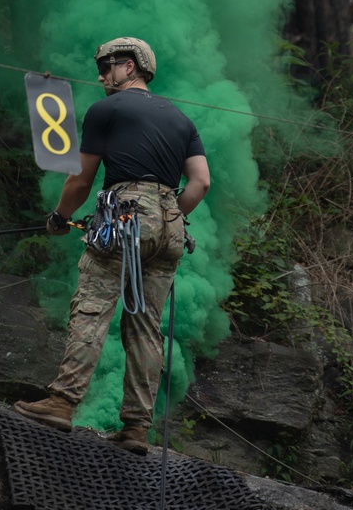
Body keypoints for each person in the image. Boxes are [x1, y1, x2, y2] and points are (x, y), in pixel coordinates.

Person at [14, 35, 211, 454]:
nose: (102, 75)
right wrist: (168, 214)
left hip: (124, 219)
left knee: (92, 307)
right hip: (171, 229)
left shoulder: (106, 110)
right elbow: (201, 182)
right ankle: (137, 429)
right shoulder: (182, 120)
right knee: (145, 326)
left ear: (130, 67)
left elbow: (81, 180)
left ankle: (62, 402)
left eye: (108, 66)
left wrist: (60, 218)